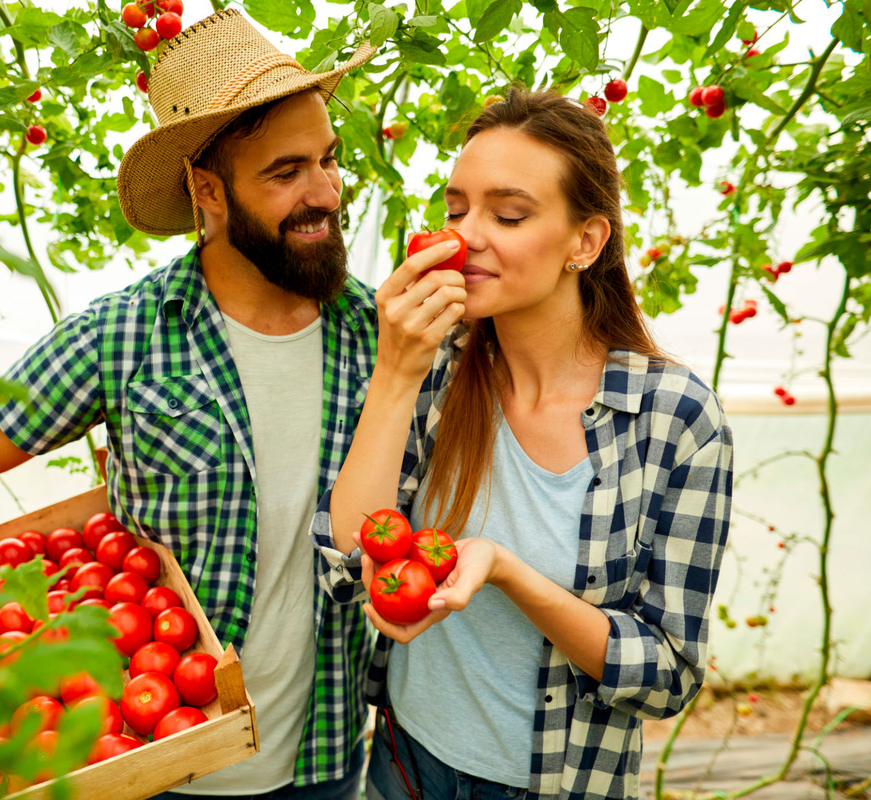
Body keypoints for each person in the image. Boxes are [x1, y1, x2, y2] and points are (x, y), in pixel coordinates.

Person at [0, 10, 378, 798]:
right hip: (159, 770)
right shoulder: (124, 336)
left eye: (329, 159)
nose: (325, 192)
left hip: (323, 762)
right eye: (286, 173)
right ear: (208, 191)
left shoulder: (378, 332)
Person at [311, 87, 734, 800]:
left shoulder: (674, 418)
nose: (464, 237)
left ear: (585, 242)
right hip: (404, 764)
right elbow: (349, 566)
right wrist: (394, 374)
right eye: (455, 211)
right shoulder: (437, 368)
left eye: (507, 215)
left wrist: (508, 573)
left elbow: (666, 675)